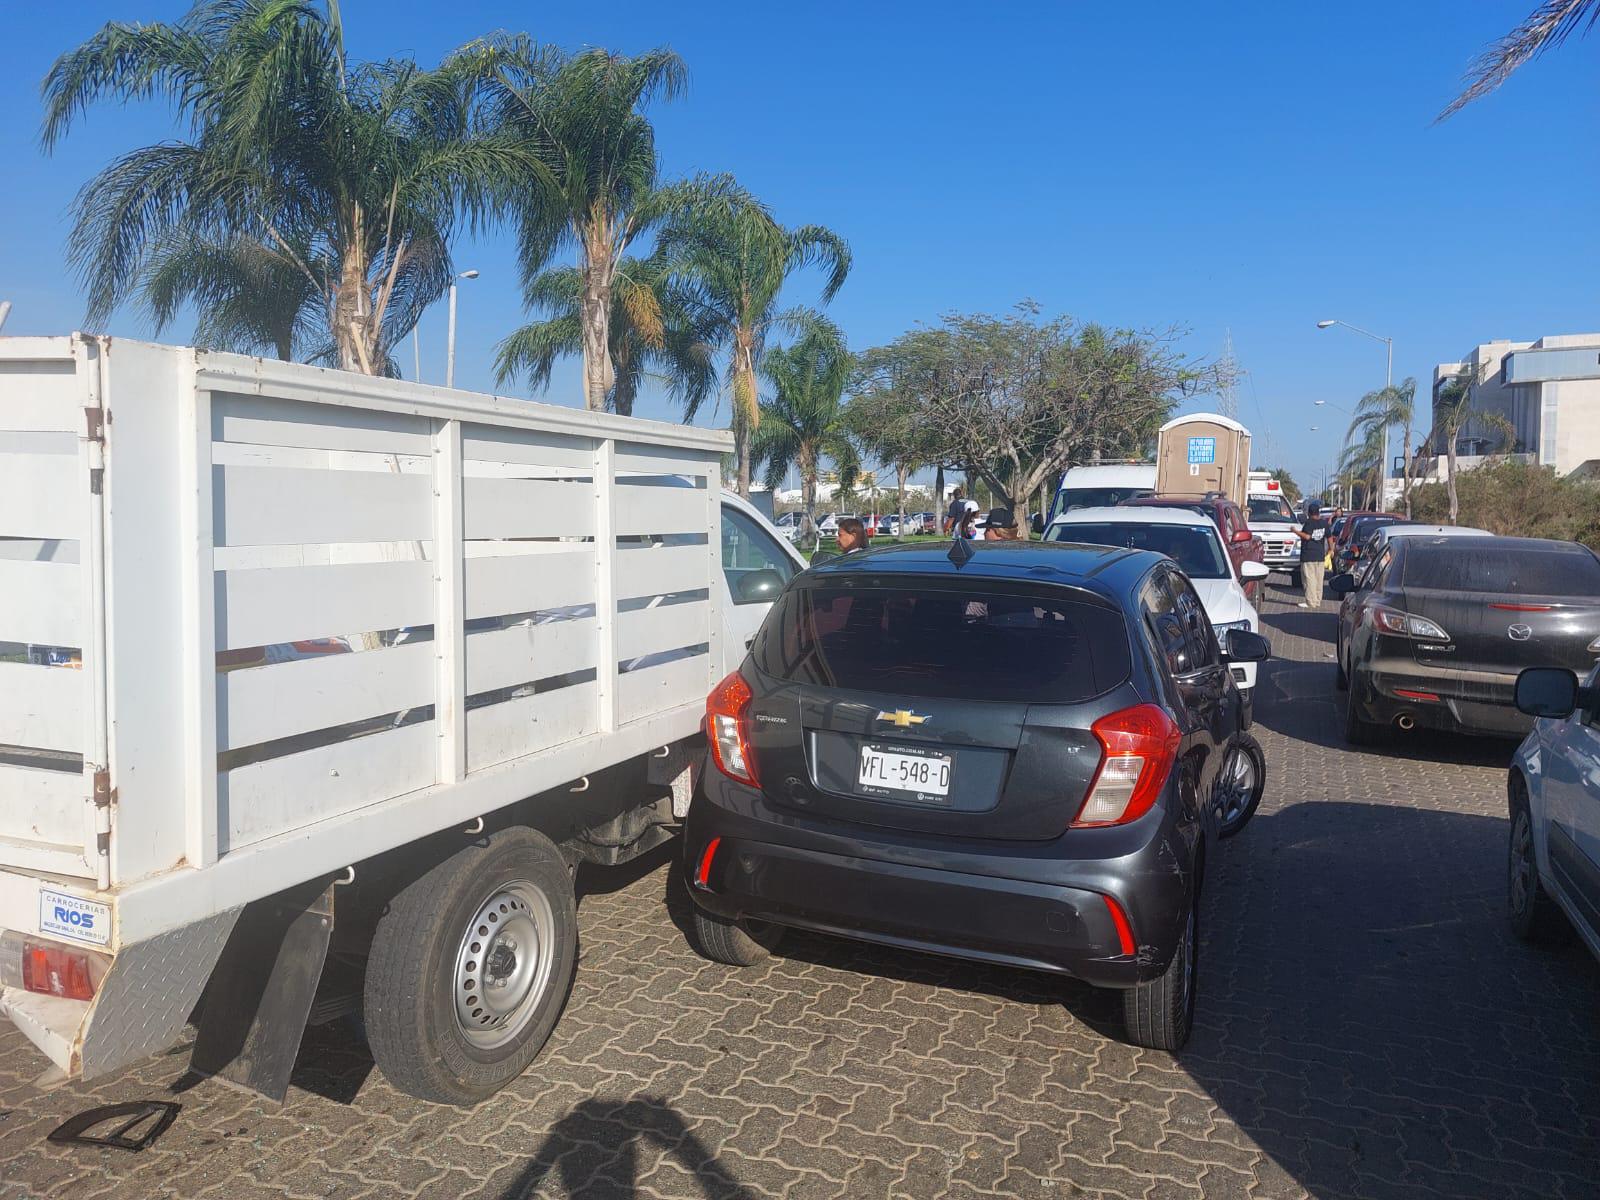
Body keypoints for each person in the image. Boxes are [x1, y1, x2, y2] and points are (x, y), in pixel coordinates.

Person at [1296, 500, 1330, 608]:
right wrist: (1331, 550)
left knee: (1309, 579)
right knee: (1319, 579)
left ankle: (1310, 602)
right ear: (1318, 512)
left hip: (1308, 555)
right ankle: (1317, 600)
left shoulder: (1309, 523)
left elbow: (1306, 536)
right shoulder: (1324, 523)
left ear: (1309, 513)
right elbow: (1329, 538)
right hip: (1320, 555)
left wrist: (1295, 531)